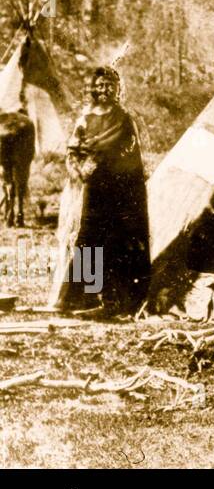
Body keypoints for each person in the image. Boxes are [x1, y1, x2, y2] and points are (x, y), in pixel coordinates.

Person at [49, 66, 150, 316]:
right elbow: (72, 150)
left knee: (114, 243)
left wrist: (115, 166)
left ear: (118, 89)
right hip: (92, 188)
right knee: (88, 241)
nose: (104, 90)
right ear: (93, 88)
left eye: (109, 85)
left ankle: (114, 302)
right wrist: (79, 171)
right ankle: (85, 298)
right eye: (100, 85)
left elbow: (134, 154)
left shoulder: (125, 118)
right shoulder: (85, 118)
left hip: (119, 191)